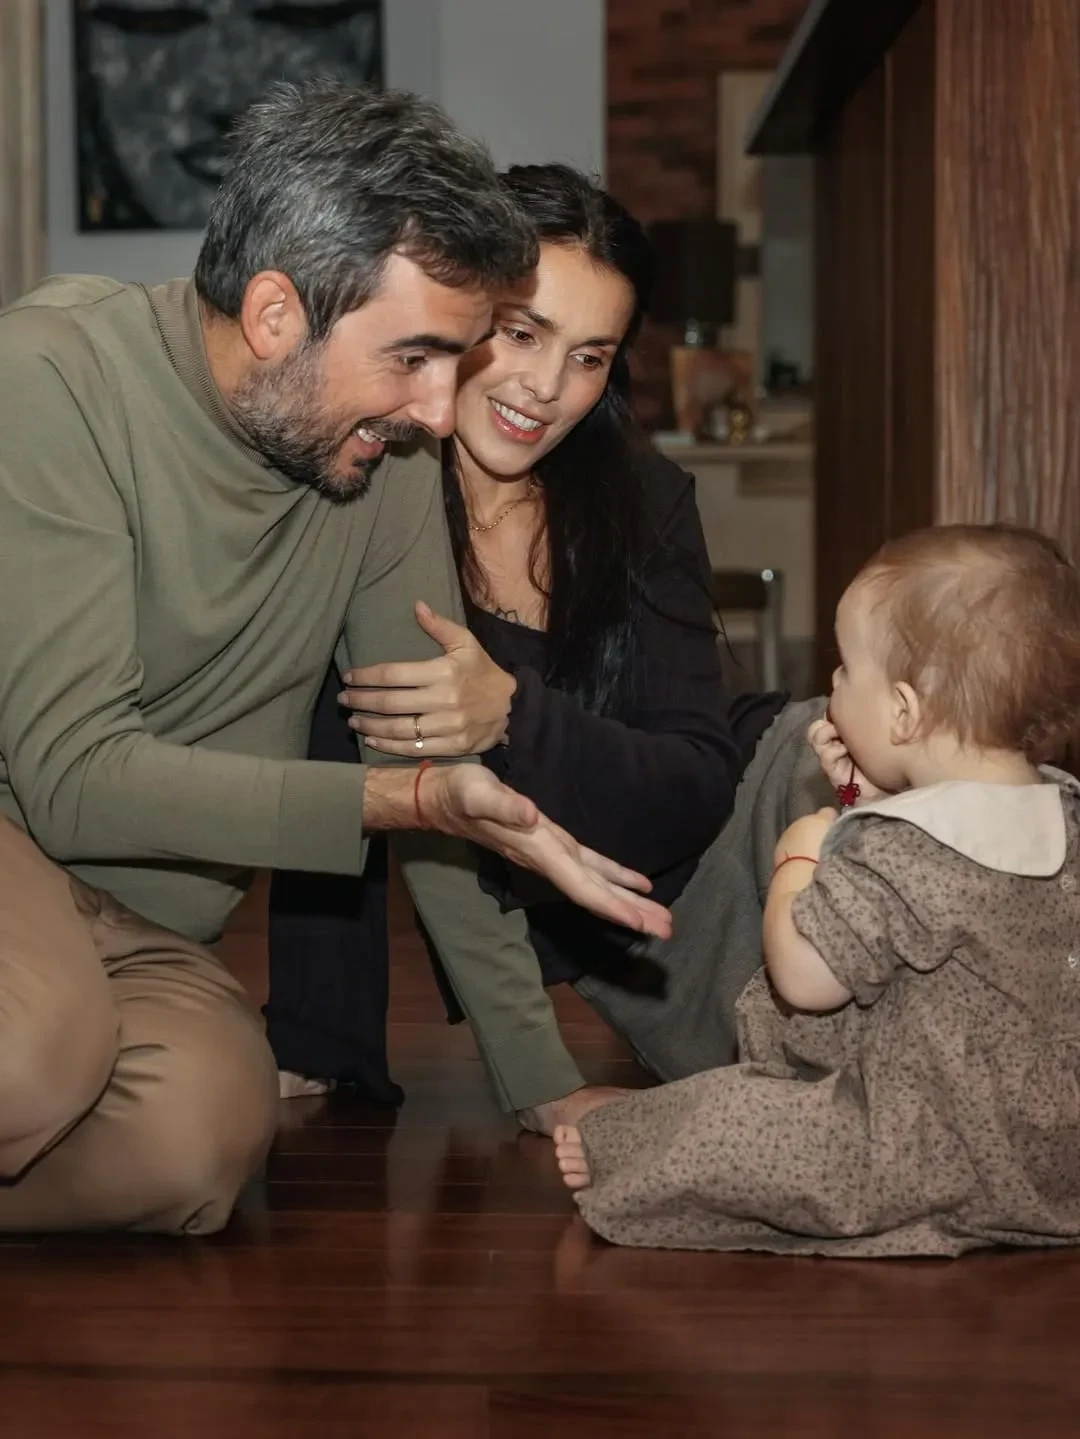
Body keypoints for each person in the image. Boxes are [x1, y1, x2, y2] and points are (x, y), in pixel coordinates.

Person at [0, 82, 672, 1235]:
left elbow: (429, 758)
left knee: (198, 1143)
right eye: (414, 356)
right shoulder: (52, 379)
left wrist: (543, 1079)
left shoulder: (385, 463)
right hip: (18, 838)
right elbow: (73, 776)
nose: (439, 411)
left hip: (146, 927)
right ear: (275, 313)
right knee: (31, 1059)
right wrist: (403, 799)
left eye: (455, 361)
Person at [265, 164, 787, 1099]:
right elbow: (339, 752)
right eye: (521, 333)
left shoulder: (643, 500)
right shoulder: (368, 489)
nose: (547, 388)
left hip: (745, 831)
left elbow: (699, 784)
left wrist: (509, 710)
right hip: (646, 939)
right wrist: (321, 1039)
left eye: (590, 357)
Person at [554, 523, 1080, 1258]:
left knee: (734, 1116)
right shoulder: (1063, 811)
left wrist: (801, 854)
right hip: (1055, 1155)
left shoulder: (901, 848)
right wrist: (863, 805)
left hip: (926, 1144)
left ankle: (623, 1145)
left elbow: (804, 979)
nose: (831, 683)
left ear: (903, 711)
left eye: (847, 668)